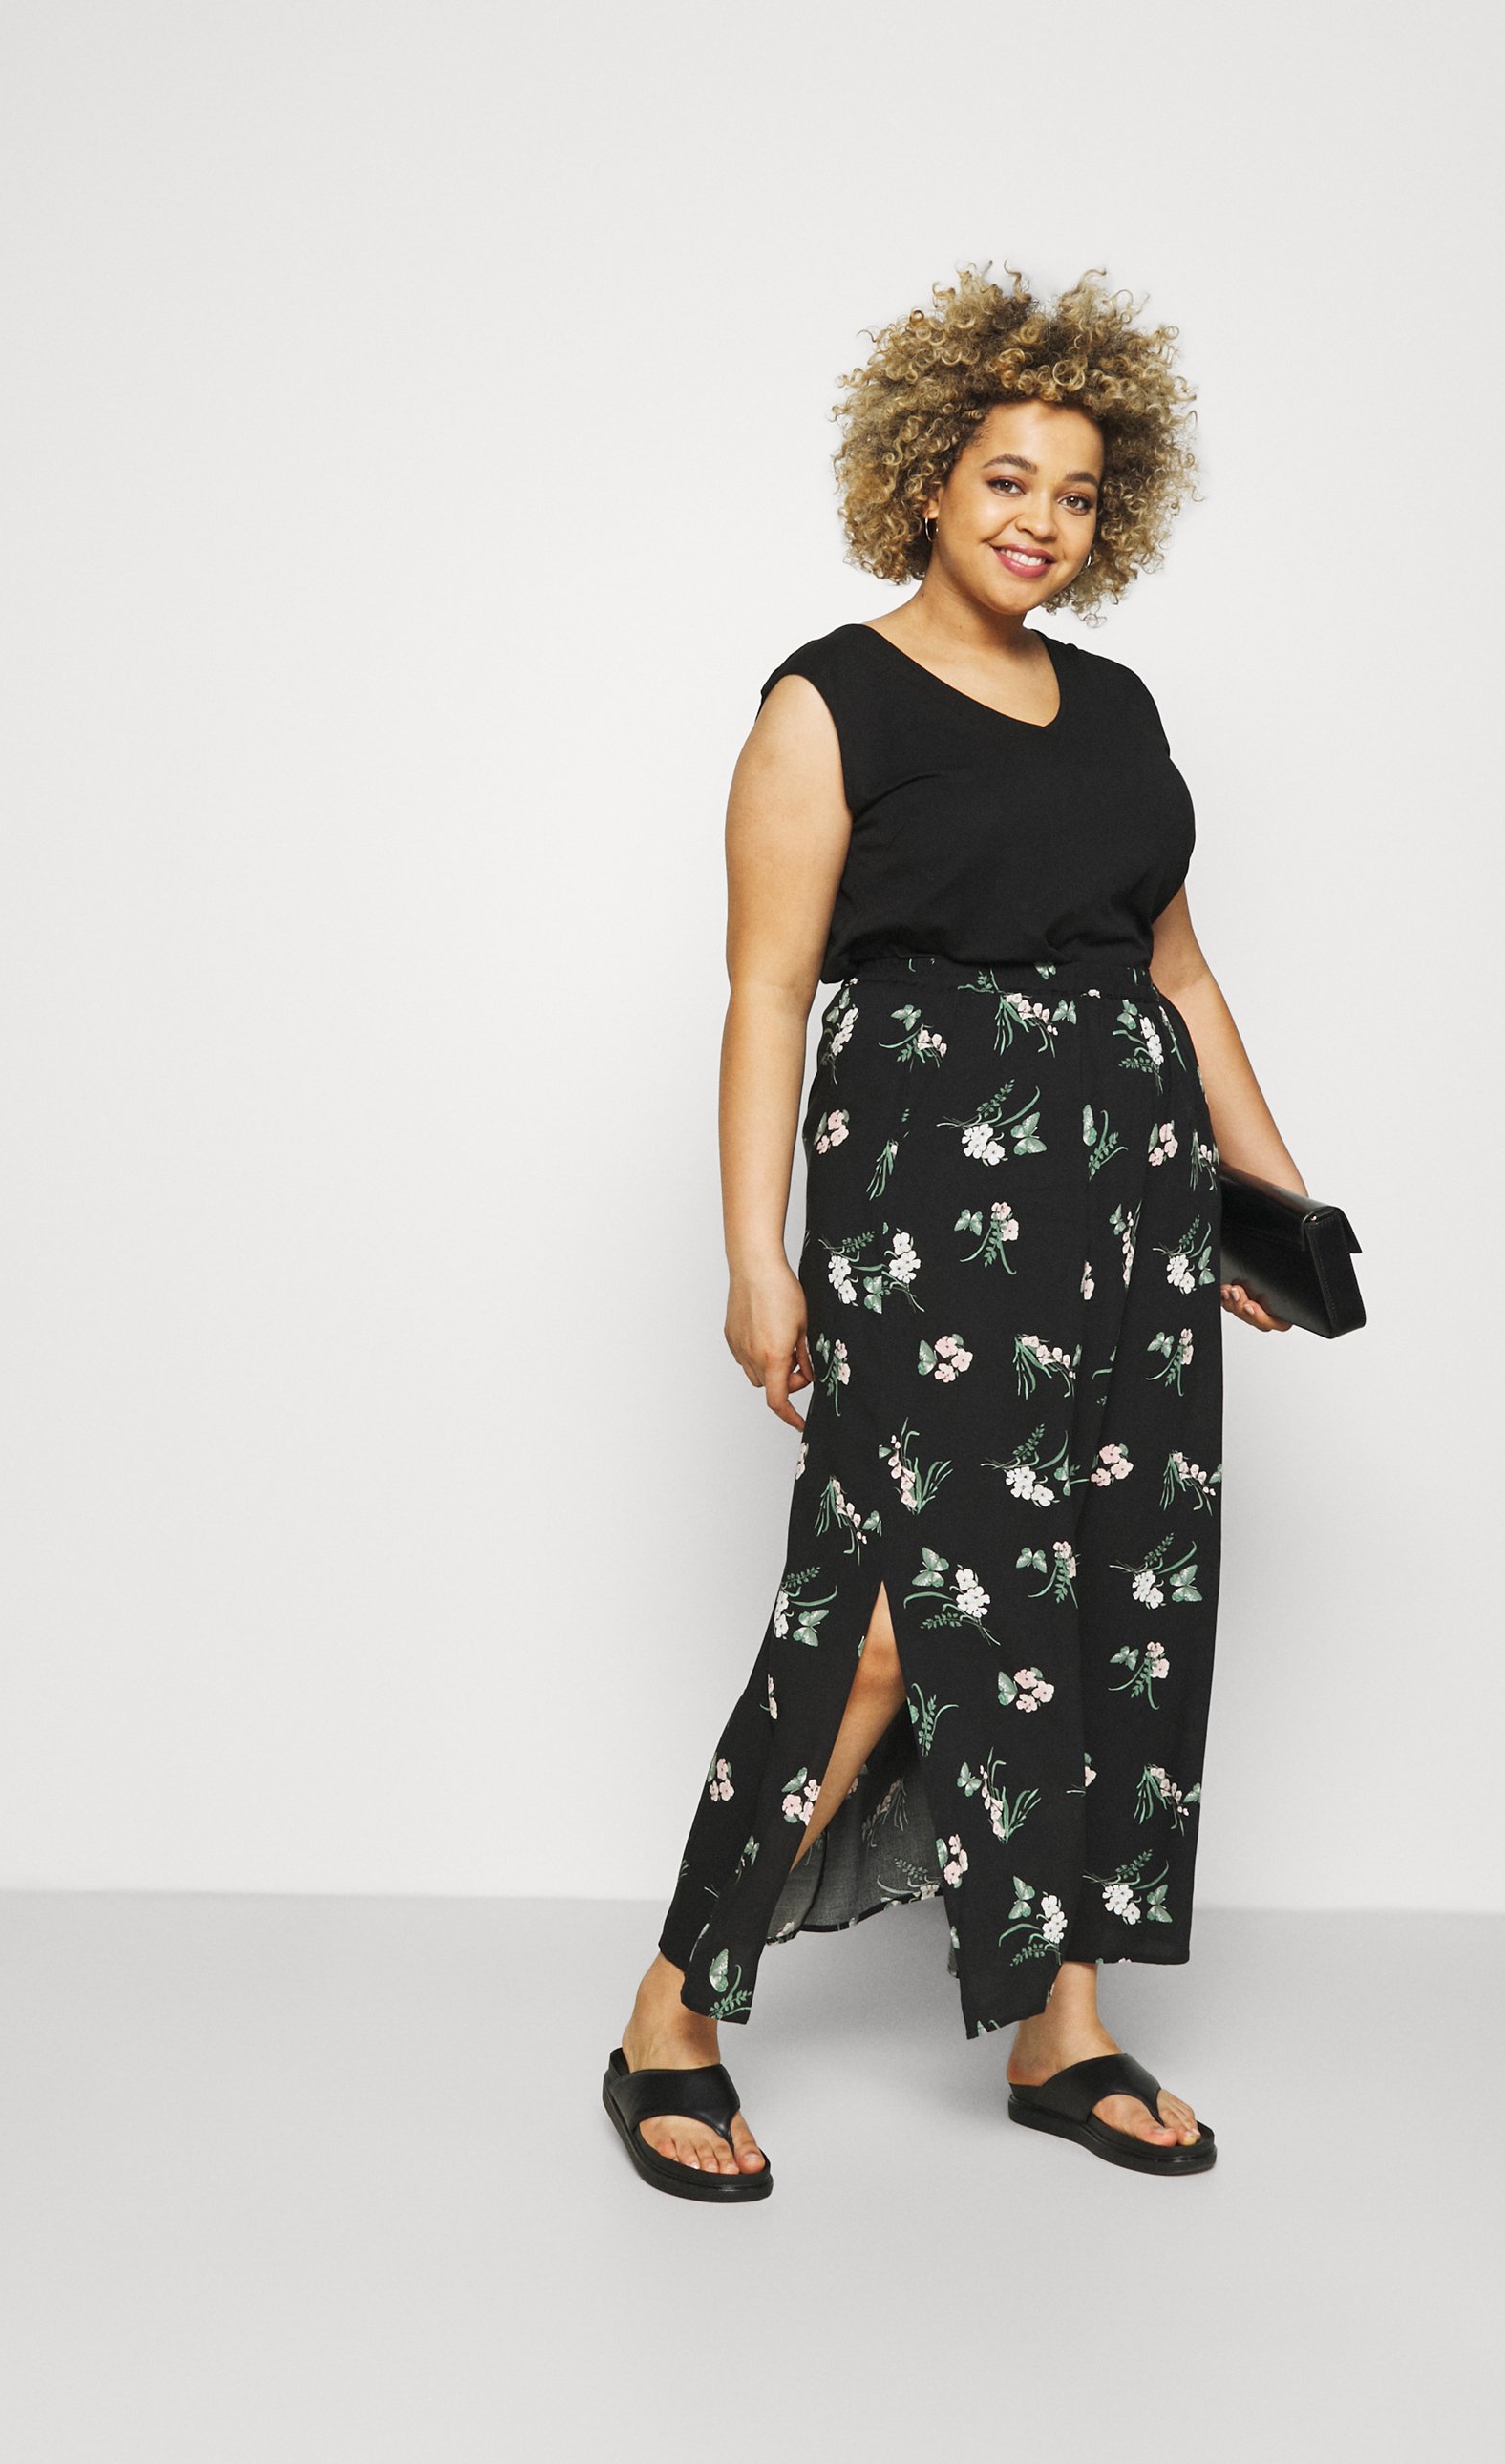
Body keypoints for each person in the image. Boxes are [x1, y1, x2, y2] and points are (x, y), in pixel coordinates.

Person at [602, 264, 1303, 2201]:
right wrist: (757, 1256)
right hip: (931, 1200)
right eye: (1006, 478)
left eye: (1075, 493)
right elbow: (766, 992)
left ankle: (1060, 2027)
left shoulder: (1119, 709)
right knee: (885, 1632)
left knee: (1107, 1601)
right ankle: (670, 2015)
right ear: (926, 475)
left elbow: (1175, 974)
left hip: (1128, 1201)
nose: (1038, 521)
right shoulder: (827, 700)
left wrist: (1268, 1199)